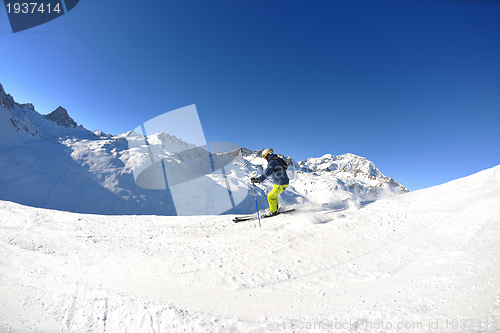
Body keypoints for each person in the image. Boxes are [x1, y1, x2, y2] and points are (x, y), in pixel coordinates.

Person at [250, 148, 289, 217]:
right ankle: (274, 209)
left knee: (270, 197)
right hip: (280, 182)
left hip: (281, 184)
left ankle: (272, 211)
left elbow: (266, 174)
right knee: (274, 196)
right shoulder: (276, 160)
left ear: (268, 155)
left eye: (264, 157)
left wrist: (257, 180)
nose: (264, 159)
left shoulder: (273, 162)